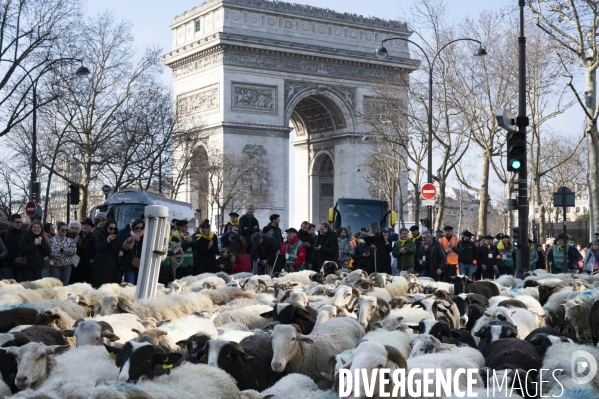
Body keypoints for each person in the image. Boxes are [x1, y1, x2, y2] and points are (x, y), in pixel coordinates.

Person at [91, 220, 120, 288]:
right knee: (99, 284)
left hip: (112, 263)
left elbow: (117, 249)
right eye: (110, 228)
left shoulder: (117, 236)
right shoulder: (100, 235)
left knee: (110, 284)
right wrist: (107, 241)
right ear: (106, 228)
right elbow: (98, 248)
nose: (113, 230)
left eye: (114, 228)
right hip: (101, 263)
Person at [1, 214, 26, 282]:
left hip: (21, 264)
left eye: (21, 222)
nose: (19, 224)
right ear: (11, 222)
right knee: (8, 286)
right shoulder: (4, 233)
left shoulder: (25, 233)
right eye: (17, 222)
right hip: (7, 264)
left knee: (20, 285)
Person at [71, 218, 96, 284]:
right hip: (76, 266)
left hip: (88, 267)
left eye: (87, 225)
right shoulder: (76, 237)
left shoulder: (93, 239)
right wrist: (75, 243)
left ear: (91, 227)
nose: (85, 226)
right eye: (84, 225)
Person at [120, 219, 145, 284]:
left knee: (139, 285)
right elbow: (125, 248)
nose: (139, 229)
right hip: (130, 262)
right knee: (130, 284)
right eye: (137, 227)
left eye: (141, 228)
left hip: (142, 263)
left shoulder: (146, 237)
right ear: (133, 228)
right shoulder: (130, 235)